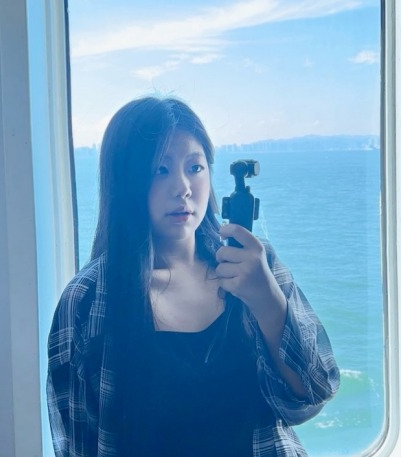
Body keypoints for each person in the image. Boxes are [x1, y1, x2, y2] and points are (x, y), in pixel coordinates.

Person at [47, 95, 340, 457]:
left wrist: (267, 300)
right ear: (126, 181)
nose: (183, 187)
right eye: (161, 170)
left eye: (195, 167)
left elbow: (312, 394)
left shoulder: (252, 265)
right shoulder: (88, 300)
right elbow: (76, 444)